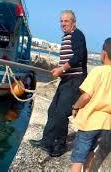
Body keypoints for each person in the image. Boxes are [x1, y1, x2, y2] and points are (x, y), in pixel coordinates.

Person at [29, 9, 88, 157]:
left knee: (61, 114)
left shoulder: (77, 35)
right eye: (61, 21)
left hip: (75, 81)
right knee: (52, 110)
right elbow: (69, 58)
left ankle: (60, 146)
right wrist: (60, 69)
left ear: (73, 23)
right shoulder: (67, 37)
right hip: (66, 80)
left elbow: (78, 56)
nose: (63, 23)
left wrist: (62, 69)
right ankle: (46, 142)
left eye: (66, 21)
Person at [70, 38, 111, 172]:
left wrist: (75, 106)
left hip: (90, 122)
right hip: (105, 124)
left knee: (78, 157)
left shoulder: (98, 71)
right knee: (91, 151)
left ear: (104, 53)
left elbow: (86, 96)